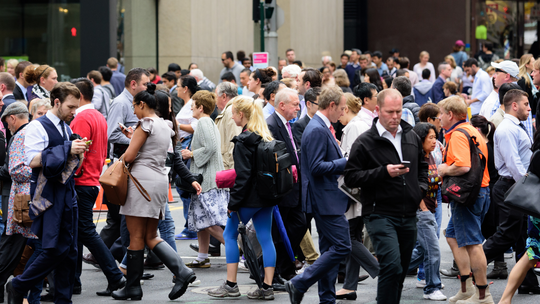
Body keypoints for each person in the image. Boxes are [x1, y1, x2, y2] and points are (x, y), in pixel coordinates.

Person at [111, 84, 196, 301]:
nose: (133, 112)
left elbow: (129, 157)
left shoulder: (145, 124)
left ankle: (137, 286)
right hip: (159, 181)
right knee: (149, 235)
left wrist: (119, 159)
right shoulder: (164, 124)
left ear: (142, 104)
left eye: (134, 107)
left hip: (141, 182)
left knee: (136, 236)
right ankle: (178, 272)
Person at [344, 88, 428, 304]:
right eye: (390, 112)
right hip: (379, 212)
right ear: (378, 110)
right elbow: (351, 177)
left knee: (400, 270)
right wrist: (384, 172)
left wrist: (420, 188)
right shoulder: (365, 142)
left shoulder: (410, 136)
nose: (395, 117)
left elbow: (423, 165)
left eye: (398, 111)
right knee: (391, 264)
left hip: (408, 213)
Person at [6, 82, 88, 304]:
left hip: (66, 193)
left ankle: (62, 299)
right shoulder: (37, 127)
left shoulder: (66, 127)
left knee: (70, 251)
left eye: (76, 108)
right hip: (47, 195)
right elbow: (31, 161)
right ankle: (19, 284)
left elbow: (65, 162)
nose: (74, 112)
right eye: (71, 107)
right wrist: (68, 149)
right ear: (57, 102)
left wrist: (76, 152)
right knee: (54, 248)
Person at [207, 96, 278, 299]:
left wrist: (233, 204)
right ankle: (267, 287)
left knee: (229, 235)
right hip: (267, 197)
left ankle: (231, 284)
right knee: (266, 238)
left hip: (248, 199)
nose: (231, 115)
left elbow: (243, 177)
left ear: (241, 114)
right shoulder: (265, 137)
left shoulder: (243, 141)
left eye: (233, 112)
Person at [285, 86, 351, 304]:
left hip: (326, 198)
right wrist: (345, 162)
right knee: (342, 247)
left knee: (329, 250)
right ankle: (300, 282)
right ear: (331, 106)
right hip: (325, 199)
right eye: (341, 108)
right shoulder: (317, 129)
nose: (343, 113)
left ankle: (327, 299)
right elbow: (315, 167)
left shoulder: (320, 126)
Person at [69, 78, 126, 296]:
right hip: (91, 179)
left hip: (82, 181)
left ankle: (114, 275)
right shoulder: (98, 116)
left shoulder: (82, 117)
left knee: (84, 232)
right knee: (78, 233)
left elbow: (77, 153)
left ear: (78, 95)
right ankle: (74, 281)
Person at [483, 89, 540, 297]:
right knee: (507, 235)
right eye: (526, 104)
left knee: (521, 236)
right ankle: (473, 267)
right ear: (514, 105)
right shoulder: (507, 129)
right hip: (511, 186)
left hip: (514, 186)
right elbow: (514, 164)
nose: (529, 108)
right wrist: (527, 188)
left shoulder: (514, 126)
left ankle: (527, 282)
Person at [437, 96, 493, 303]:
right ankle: (467, 288)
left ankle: (482, 295)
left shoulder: (459, 134)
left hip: (468, 195)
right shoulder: (471, 130)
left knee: (472, 243)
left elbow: (463, 166)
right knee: (452, 235)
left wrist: (444, 169)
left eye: (441, 113)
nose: (440, 118)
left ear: (450, 114)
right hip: (480, 192)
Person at [334, 93, 375, 300]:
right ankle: (350, 285)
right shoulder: (359, 124)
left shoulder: (353, 126)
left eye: (340, 108)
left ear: (346, 108)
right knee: (354, 235)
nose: (337, 113)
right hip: (358, 189)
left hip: (352, 190)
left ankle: (380, 270)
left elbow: (351, 159)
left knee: (349, 237)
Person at [181, 91, 227, 268]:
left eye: (193, 104)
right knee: (203, 221)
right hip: (208, 179)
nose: (191, 107)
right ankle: (202, 256)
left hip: (207, 180)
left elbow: (210, 148)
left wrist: (191, 153)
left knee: (208, 222)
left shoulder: (203, 122)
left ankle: (240, 251)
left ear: (201, 107)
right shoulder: (208, 122)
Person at [266, 88, 306, 281]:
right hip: (282, 189)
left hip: (295, 186)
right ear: (282, 105)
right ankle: (279, 270)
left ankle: (282, 266)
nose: (299, 107)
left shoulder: (291, 124)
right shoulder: (271, 125)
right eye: (295, 104)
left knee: (299, 224)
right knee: (279, 232)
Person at [498, 133, 540, 304]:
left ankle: (505, 300)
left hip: (536, 212)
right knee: (530, 256)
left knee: (530, 256)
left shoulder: (536, 146)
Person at [407, 122, 447, 301]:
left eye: (435, 137)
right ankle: (432, 288)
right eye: (430, 137)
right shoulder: (416, 158)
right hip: (420, 210)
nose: (434, 141)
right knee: (432, 249)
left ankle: (392, 270)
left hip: (430, 208)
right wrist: (422, 207)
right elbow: (412, 185)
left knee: (423, 251)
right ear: (420, 139)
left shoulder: (430, 155)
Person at [0, 102, 30, 302]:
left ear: (12, 118)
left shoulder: (19, 136)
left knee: (12, 242)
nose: (7, 128)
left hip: (18, 197)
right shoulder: (32, 133)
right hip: (21, 197)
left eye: (7, 122)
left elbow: (14, 170)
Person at [469, 115, 504, 280]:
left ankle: (474, 266)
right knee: (490, 229)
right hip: (492, 188)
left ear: (476, 129)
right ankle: (499, 265)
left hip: (486, 189)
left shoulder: (482, 147)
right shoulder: (489, 145)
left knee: (484, 230)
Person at [174, 75, 201, 241]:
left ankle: (191, 227)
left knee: (185, 186)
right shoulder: (186, 104)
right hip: (182, 145)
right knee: (183, 186)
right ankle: (190, 225)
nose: (176, 88)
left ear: (185, 88)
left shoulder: (193, 104)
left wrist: (177, 125)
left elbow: (195, 126)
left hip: (187, 146)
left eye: (178, 86)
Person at [107, 68, 150, 159]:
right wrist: (137, 141)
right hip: (123, 160)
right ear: (133, 84)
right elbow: (112, 135)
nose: (147, 88)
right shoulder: (120, 103)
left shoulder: (140, 102)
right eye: (145, 84)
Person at [214, 82, 242, 170]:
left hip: (228, 168)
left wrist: (232, 172)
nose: (215, 100)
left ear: (224, 96)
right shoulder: (231, 110)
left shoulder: (231, 111)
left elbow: (234, 143)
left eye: (215, 96)